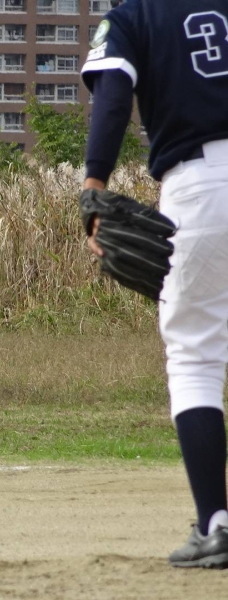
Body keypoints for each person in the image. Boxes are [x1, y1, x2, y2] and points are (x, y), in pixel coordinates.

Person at [80, 0, 228, 568]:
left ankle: (215, 522)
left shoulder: (135, 15)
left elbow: (114, 94)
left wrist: (94, 184)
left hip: (199, 185)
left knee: (195, 358)